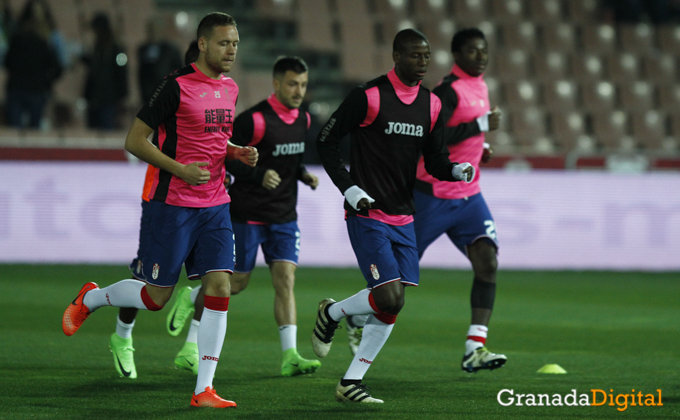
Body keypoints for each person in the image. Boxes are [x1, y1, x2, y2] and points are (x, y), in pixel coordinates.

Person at [62, 12, 258, 408]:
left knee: (219, 288)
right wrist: (181, 169)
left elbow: (216, 138)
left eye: (235, 43)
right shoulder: (175, 86)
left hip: (216, 203)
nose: (231, 50)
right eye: (224, 43)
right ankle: (93, 298)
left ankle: (204, 388)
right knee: (155, 298)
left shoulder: (231, 88)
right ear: (202, 44)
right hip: (171, 205)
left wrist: (235, 151)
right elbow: (134, 141)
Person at [312, 28, 474, 403]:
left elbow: (434, 160)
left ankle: (349, 375)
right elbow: (327, 140)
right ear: (396, 56)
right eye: (415, 56)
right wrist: (350, 188)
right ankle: (333, 314)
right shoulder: (368, 96)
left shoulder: (431, 105)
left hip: (404, 214)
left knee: (393, 303)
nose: (423, 63)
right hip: (367, 211)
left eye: (427, 57)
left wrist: (453, 170)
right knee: (389, 295)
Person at [107, 39, 205, 382]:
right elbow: (139, 139)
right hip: (164, 198)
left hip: (208, 199)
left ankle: (192, 346)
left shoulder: (221, 92)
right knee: (147, 281)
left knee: (218, 278)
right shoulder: (174, 91)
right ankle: (122, 336)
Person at [413, 28, 506, 373]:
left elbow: (464, 138)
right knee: (397, 279)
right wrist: (481, 124)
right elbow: (433, 137)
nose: (480, 56)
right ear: (457, 55)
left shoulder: (480, 86)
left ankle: (475, 347)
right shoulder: (447, 92)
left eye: (483, 50)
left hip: (469, 197)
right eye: (472, 51)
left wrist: (480, 149)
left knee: (488, 262)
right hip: (433, 194)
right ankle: (351, 315)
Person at [3, 0, 62, 128]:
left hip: (16, 88)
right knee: (34, 131)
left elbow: (7, 63)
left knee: (15, 130)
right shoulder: (42, 44)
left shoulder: (16, 42)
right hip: (36, 89)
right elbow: (57, 68)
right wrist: (46, 81)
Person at [82, 13, 128, 130]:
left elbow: (121, 73)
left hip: (109, 99)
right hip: (95, 99)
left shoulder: (116, 50)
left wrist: (121, 97)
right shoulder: (97, 49)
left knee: (107, 130)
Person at [137, 18, 183, 103]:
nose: (153, 32)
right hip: (149, 96)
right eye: (151, 29)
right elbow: (141, 73)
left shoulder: (171, 50)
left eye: (156, 29)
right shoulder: (143, 49)